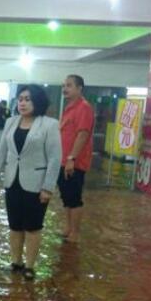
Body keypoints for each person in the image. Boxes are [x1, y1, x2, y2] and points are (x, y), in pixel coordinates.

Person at [0, 85, 61, 280]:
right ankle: (16, 262)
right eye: (20, 99)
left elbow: (55, 158)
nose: (23, 103)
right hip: (12, 182)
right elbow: (1, 152)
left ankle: (29, 266)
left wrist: (48, 187)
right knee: (15, 226)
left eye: (28, 99)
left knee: (33, 227)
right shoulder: (11, 122)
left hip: (36, 184)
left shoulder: (49, 124)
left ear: (37, 101)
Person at [58, 74, 94, 244]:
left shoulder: (83, 108)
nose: (65, 88)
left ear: (80, 88)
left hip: (75, 162)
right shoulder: (69, 108)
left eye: (69, 85)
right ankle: (68, 227)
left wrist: (72, 158)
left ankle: (75, 232)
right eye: (64, 85)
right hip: (63, 160)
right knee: (66, 197)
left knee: (74, 198)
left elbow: (83, 134)